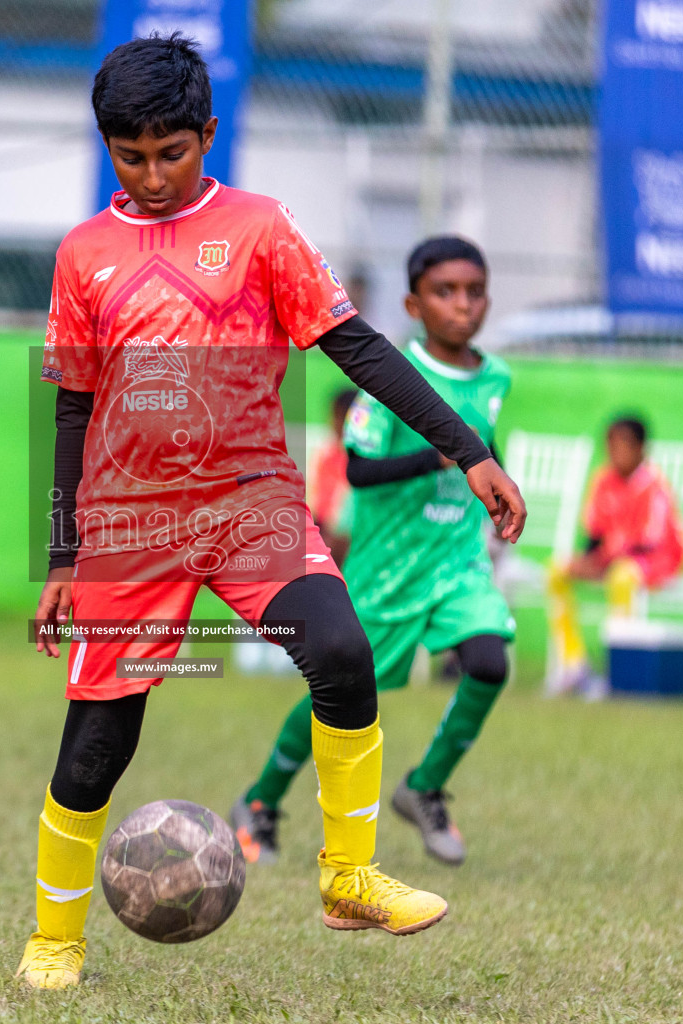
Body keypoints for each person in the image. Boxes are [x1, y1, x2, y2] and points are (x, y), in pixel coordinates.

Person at [20, 36, 527, 989]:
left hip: (252, 502)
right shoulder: (83, 253)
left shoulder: (259, 229)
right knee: (98, 744)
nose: (154, 173)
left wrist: (471, 451)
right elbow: (74, 408)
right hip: (130, 524)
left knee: (341, 651)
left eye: (172, 152)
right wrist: (61, 554)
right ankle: (54, 940)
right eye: (131, 156)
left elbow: (360, 349)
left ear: (208, 135)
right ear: (107, 148)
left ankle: (350, 878)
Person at [232, 236, 514, 869]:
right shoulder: (390, 377)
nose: (462, 305)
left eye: (474, 292)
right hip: (388, 572)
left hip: (458, 561)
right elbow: (357, 471)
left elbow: (490, 445)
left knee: (490, 661)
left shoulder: (498, 378)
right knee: (341, 694)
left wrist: (497, 488)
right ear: (414, 304)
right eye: (445, 292)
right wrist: (432, 456)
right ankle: (261, 799)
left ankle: (424, 786)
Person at [547, 415, 683, 694]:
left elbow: (649, 542)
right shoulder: (603, 480)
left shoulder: (653, 485)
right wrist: (588, 560)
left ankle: (619, 671)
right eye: (611, 444)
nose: (616, 451)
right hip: (610, 560)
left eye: (624, 444)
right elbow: (594, 532)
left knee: (622, 577)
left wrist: (605, 562)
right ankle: (573, 665)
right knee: (556, 570)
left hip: (655, 561)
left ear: (641, 449)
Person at [308, 388, 357, 567]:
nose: (336, 423)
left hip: (344, 534)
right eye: (335, 417)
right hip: (321, 526)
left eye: (342, 418)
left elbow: (347, 507)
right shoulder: (325, 452)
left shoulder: (357, 456)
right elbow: (315, 493)